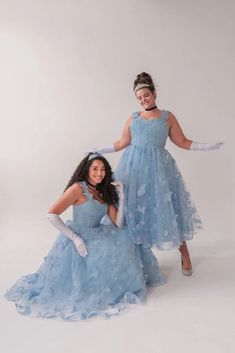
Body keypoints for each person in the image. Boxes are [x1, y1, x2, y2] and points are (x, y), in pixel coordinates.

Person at [89, 72, 223, 277]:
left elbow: (183, 142)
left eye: (146, 95)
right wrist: (99, 150)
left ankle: (184, 253)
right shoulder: (133, 118)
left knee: (167, 210)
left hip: (159, 171)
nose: (143, 100)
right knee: (129, 211)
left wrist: (207, 146)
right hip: (133, 169)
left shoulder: (166, 117)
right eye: (139, 97)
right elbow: (121, 143)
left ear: (154, 94)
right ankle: (135, 259)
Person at [5, 153, 165, 321]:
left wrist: (122, 198)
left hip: (98, 235)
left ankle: (120, 284)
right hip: (79, 236)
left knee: (126, 238)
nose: (99, 173)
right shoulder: (78, 188)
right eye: (95, 169)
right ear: (87, 170)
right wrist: (75, 238)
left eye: (103, 169)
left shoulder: (104, 191)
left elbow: (118, 224)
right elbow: (51, 215)